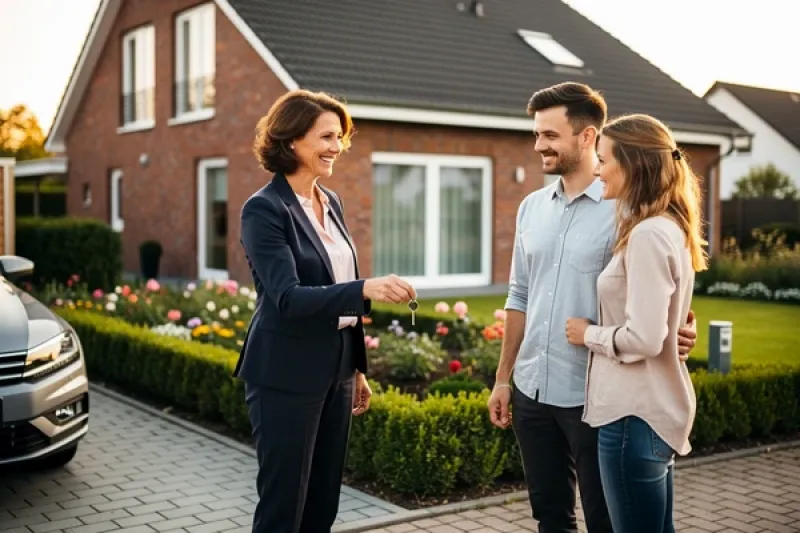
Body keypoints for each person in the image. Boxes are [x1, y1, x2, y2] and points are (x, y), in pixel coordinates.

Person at [487, 82, 697, 533]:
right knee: (550, 517)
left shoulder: (631, 214)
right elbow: (518, 296)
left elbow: (659, 294)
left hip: (594, 398)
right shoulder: (531, 208)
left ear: (587, 138)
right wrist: (503, 379)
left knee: (608, 521)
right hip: (532, 390)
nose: (538, 144)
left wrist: (679, 330)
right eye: (537, 134)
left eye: (550, 135)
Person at [236, 89, 416, 533]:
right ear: (292, 140)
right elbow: (287, 298)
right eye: (327, 137)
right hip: (285, 376)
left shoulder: (330, 201)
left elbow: (337, 291)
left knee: (323, 504)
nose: (337, 147)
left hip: (336, 372)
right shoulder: (263, 210)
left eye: (340, 137)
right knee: (284, 508)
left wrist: (356, 369)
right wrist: (365, 287)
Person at [565, 113, 707, 533]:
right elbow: (666, 322)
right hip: (653, 414)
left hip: (633, 418)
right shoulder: (670, 227)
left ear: (633, 164)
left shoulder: (647, 234)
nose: (596, 169)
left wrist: (586, 333)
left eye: (604, 160)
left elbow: (644, 338)